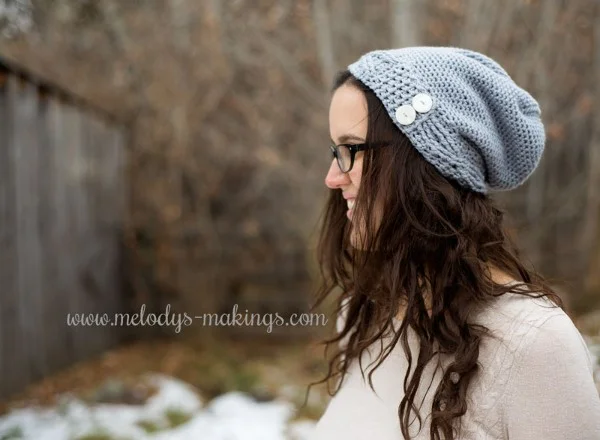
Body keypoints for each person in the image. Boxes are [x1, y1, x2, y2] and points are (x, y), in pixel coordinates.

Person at [308, 47, 600, 440]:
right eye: (334, 150)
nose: (332, 177)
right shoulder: (365, 315)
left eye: (351, 150)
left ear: (423, 163)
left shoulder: (535, 346)